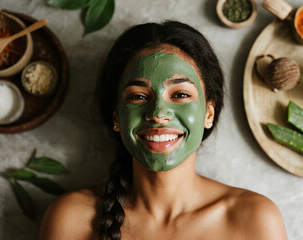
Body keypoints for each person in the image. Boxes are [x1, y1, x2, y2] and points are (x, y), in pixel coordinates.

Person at [39, 21, 287, 240]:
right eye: (138, 96)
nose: (158, 113)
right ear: (116, 116)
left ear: (208, 114)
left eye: (180, 94)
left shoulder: (255, 219)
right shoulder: (69, 219)